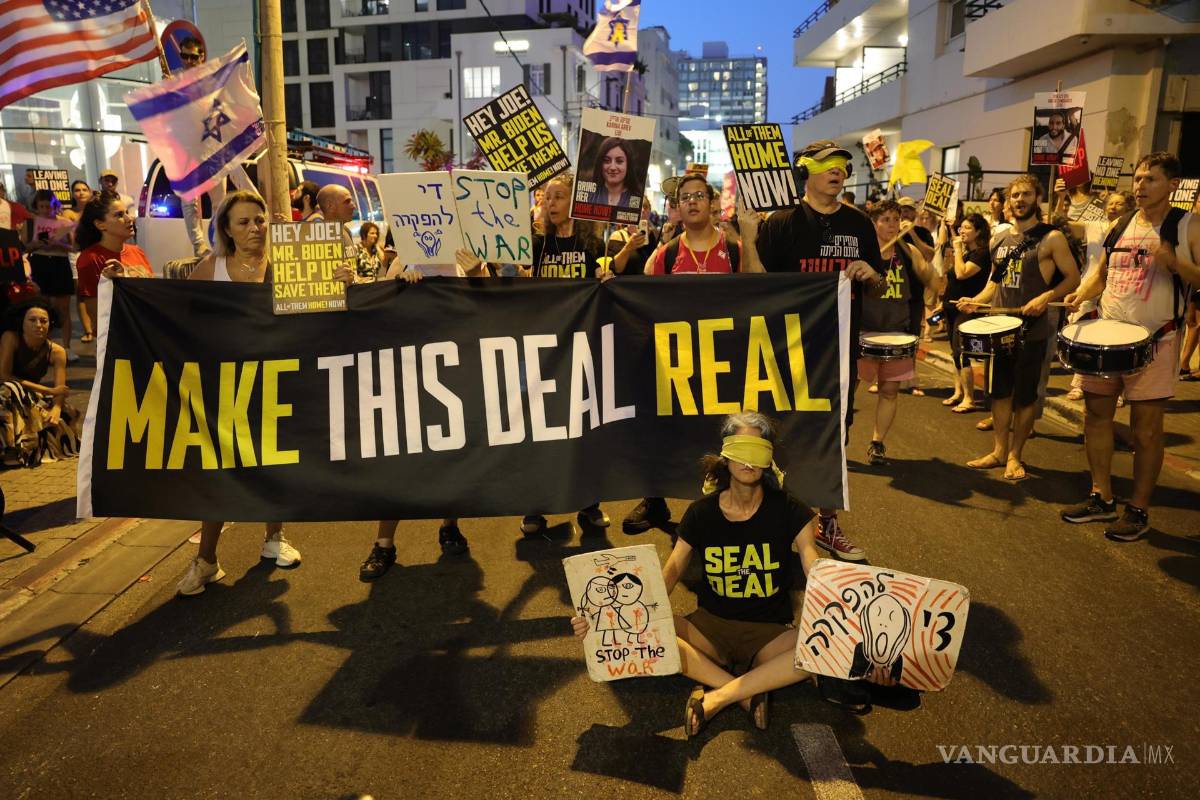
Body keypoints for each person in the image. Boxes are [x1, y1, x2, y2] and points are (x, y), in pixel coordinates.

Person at [570, 412, 838, 737]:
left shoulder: (791, 509)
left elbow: (812, 561)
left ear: (769, 458)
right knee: (654, 632)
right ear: (726, 455)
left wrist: (838, 610)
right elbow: (670, 571)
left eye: (758, 449)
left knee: (821, 647)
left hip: (770, 633)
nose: (748, 461)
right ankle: (746, 690)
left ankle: (715, 694)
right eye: (741, 448)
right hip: (708, 628)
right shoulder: (701, 513)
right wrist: (605, 619)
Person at [739, 139, 886, 562]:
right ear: (806, 170)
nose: (837, 169)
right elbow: (755, 282)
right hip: (784, 352)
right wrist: (750, 237)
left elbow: (876, 283)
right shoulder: (782, 222)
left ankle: (827, 522)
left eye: (842, 163)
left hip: (836, 353)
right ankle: (769, 520)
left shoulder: (859, 224)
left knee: (833, 436)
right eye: (826, 163)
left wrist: (869, 272)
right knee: (778, 433)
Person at [1061, 152, 1200, 541]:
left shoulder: (1187, 225)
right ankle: (1101, 496)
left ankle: (1138, 510)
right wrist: (1079, 294)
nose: (1140, 186)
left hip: (1156, 341)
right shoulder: (1120, 224)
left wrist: (1173, 262)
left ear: (1172, 185)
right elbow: (1101, 274)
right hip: (1108, 337)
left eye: (1150, 179)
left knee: (1147, 432)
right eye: (1138, 178)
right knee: (1096, 418)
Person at [178, 190, 302, 596]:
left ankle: (275, 538)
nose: (255, 228)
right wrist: (121, 284)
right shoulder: (213, 267)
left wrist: (343, 283)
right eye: (244, 222)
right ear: (227, 230)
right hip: (224, 386)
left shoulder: (287, 263)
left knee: (273, 463)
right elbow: (172, 307)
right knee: (219, 471)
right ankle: (207, 559)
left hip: (277, 379)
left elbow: (319, 312)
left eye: (260, 220)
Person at [957, 175, 1080, 482]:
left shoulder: (1051, 237)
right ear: (1008, 201)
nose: (1020, 200)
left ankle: (1015, 455)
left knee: (1024, 397)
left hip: (1032, 330)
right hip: (1000, 329)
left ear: (1037, 197)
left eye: (1026, 194)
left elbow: (1073, 279)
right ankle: (999, 450)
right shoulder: (999, 238)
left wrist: (1046, 296)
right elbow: (993, 285)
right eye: (1015, 195)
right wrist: (976, 301)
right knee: (998, 394)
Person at [520, 172, 610, 533]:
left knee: (585, 430)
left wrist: (606, 278)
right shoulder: (536, 245)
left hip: (583, 349)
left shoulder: (592, 244)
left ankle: (589, 505)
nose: (549, 204)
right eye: (546, 198)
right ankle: (536, 504)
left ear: (573, 203)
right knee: (544, 428)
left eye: (557, 197)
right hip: (544, 350)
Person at [859, 201, 938, 464]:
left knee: (890, 391)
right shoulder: (863, 252)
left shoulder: (907, 250)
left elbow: (933, 280)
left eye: (896, 219)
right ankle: (838, 440)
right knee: (848, 391)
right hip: (863, 331)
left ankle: (877, 443)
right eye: (886, 220)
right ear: (874, 223)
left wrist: (927, 268)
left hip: (897, 332)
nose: (892, 225)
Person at [1062, 189, 1133, 401]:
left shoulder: (1134, 230)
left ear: (1129, 208)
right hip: (1089, 288)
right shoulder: (1095, 226)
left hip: (1118, 291)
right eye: (1110, 203)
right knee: (1082, 334)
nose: (1112, 207)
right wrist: (1060, 197)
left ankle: (1118, 390)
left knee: (1116, 338)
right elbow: (1063, 224)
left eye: (1118, 204)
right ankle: (1079, 382)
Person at [0, 297, 81, 467]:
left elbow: (60, 388)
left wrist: (57, 408)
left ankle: (28, 449)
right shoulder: (11, 338)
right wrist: (47, 391)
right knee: (8, 391)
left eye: (43, 321)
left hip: (30, 394)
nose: (39, 325)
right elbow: (4, 375)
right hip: (6, 389)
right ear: (21, 322)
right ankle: (9, 450)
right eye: (32, 320)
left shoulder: (57, 351)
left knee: (64, 416)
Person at [75, 190, 154, 340]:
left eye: (127, 212)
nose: (129, 218)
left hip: (147, 334)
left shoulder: (137, 252)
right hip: (119, 342)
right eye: (119, 215)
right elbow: (97, 316)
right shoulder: (90, 259)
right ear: (100, 224)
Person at [937, 213, 991, 412]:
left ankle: (969, 398)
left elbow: (962, 273)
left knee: (963, 352)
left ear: (978, 232)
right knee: (954, 353)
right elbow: (953, 280)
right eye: (962, 227)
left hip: (969, 309)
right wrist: (942, 305)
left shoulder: (982, 254)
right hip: (951, 307)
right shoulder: (966, 253)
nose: (962, 231)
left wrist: (958, 247)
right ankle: (958, 392)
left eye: (968, 228)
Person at [22, 190, 75, 360]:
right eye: (42, 207)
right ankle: (45, 348)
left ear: (56, 206)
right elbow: (24, 247)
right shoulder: (30, 223)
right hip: (40, 262)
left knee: (63, 308)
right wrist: (37, 243)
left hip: (60, 263)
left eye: (49, 206)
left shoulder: (64, 222)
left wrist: (58, 243)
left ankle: (66, 348)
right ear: (36, 207)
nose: (46, 210)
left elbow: (73, 247)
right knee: (41, 307)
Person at [586, 137, 640, 209]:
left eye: (619, 161)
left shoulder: (637, 200)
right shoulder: (588, 196)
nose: (612, 167)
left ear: (628, 165)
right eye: (607, 161)